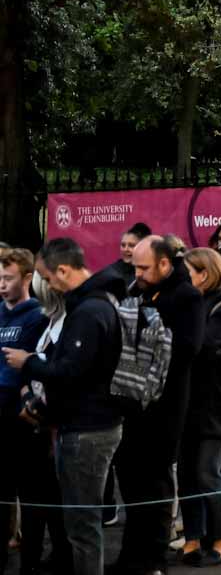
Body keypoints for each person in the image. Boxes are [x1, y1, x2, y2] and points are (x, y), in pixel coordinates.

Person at [6, 239, 124, 575]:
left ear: (63, 270)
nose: (47, 286)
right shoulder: (87, 305)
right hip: (80, 424)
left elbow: (70, 371)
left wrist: (28, 363)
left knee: (82, 525)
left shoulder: (89, 310)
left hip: (88, 429)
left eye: (47, 277)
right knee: (78, 523)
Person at [116, 234, 205, 575]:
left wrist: (150, 334)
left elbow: (187, 348)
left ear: (165, 264)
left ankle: (153, 558)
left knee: (154, 481)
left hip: (166, 403)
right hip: (132, 399)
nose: (135, 273)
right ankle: (131, 555)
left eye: (143, 267)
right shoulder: (138, 290)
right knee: (130, 476)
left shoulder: (186, 297)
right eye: (134, 267)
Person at [177, 248, 221, 566]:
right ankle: (193, 536)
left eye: (188, 272)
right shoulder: (194, 302)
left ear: (204, 274)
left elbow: (202, 347)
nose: (182, 278)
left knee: (208, 470)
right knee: (189, 472)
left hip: (216, 404)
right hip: (191, 401)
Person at [1, 247, 49, 564]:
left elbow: (16, 370)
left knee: (31, 496)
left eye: (8, 278)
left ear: (28, 278)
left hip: (22, 419)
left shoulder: (36, 315)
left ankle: (31, 561)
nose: (2, 284)